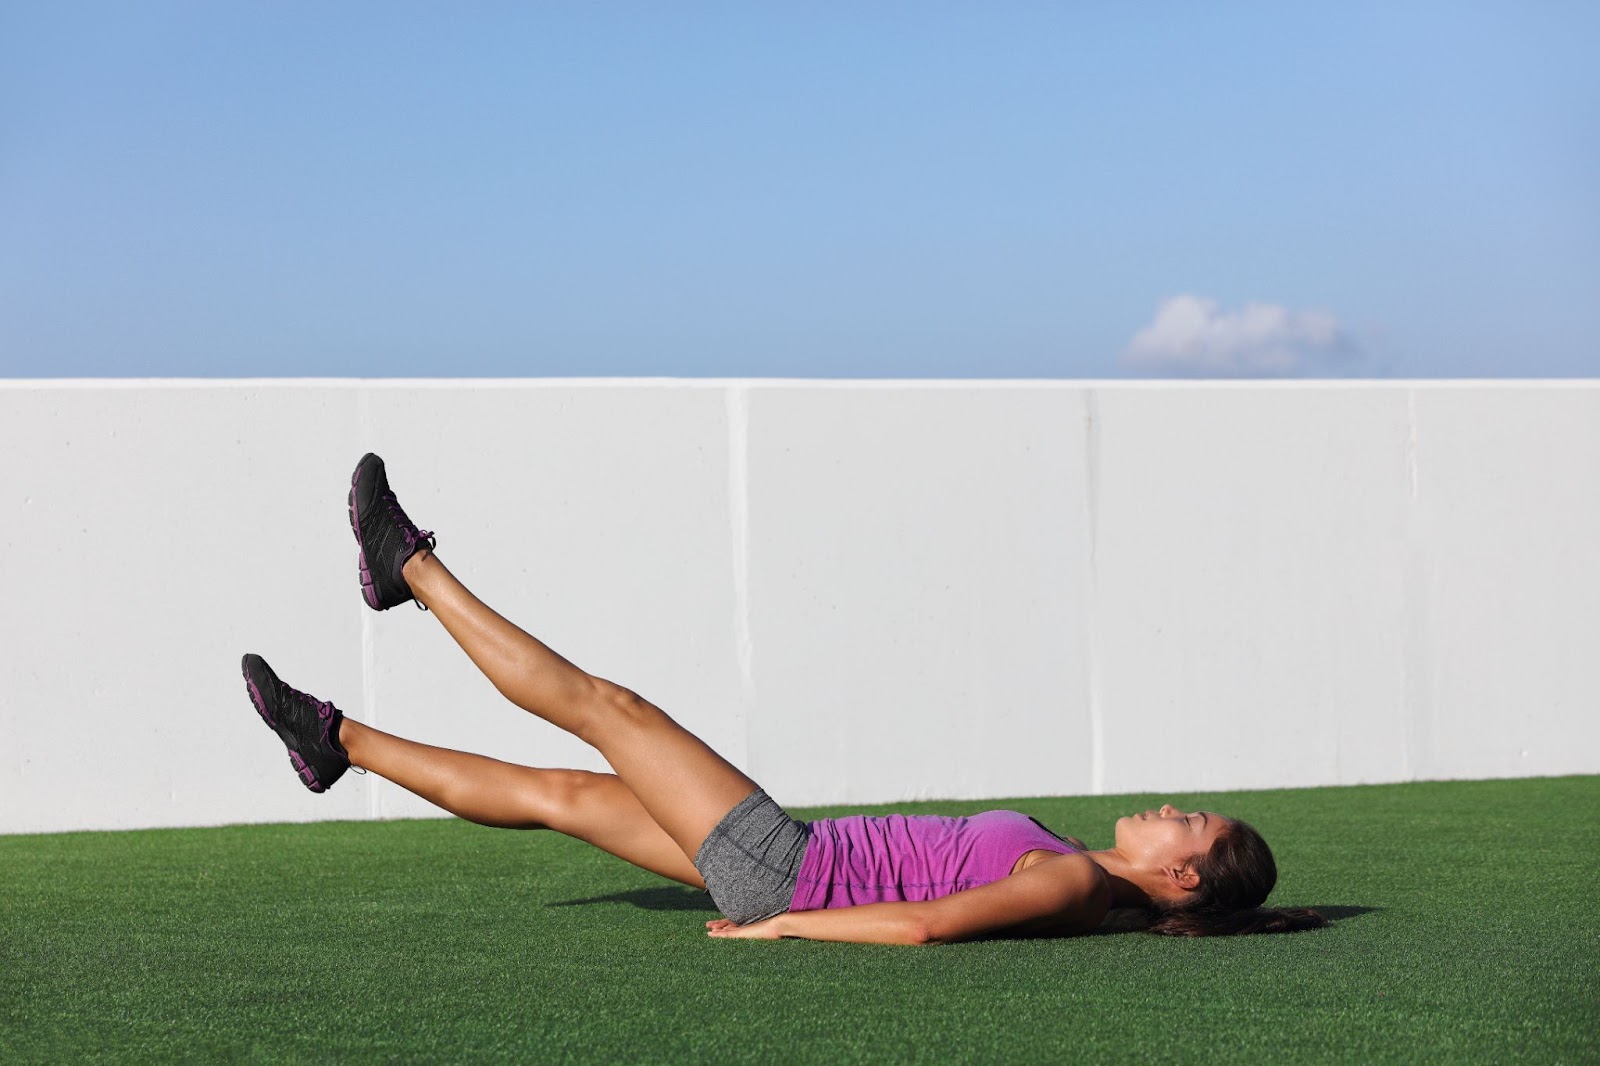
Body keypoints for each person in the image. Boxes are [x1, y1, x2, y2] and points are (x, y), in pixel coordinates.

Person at [241, 454, 1327, 945]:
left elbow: (931, 924)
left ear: (1184, 874)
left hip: (786, 868)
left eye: (1190, 820)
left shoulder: (1075, 886)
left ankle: (408, 569)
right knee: (563, 793)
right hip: (785, 858)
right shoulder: (1082, 868)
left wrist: (789, 925)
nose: (1174, 806)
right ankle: (338, 742)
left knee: (604, 706)